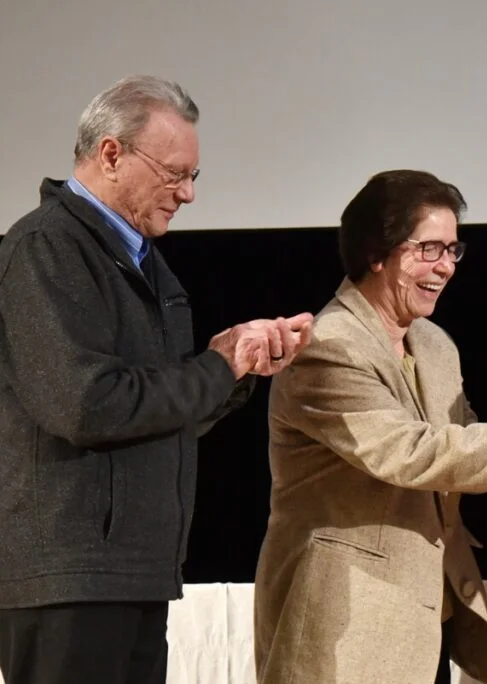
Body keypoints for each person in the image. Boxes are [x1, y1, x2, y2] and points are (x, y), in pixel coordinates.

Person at [252, 169, 487, 684]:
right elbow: (412, 453)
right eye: (429, 249)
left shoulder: (434, 344)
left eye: (453, 251)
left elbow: (467, 447)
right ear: (376, 251)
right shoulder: (325, 348)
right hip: (345, 623)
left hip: (427, 617)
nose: (446, 267)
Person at [0, 75, 313, 684]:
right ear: (111, 153)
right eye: (174, 174)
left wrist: (235, 368)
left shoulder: (144, 261)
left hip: (133, 572)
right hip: (71, 580)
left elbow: (154, 415)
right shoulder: (46, 250)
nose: (188, 194)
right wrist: (216, 366)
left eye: (194, 176)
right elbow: (87, 407)